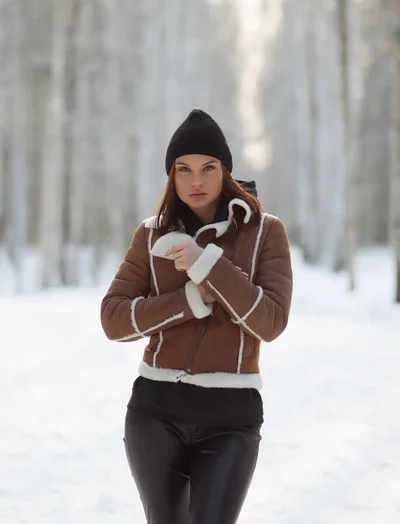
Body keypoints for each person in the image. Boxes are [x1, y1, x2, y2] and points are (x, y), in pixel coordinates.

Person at [100, 109, 293, 524]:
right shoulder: (151, 234)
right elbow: (113, 320)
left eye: (209, 167)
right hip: (155, 411)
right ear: (171, 176)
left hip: (231, 417)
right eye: (183, 170)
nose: (196, 181)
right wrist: (189, 300)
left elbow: (271, 321)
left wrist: (208, 265)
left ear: (226, 170)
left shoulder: (265, 232)